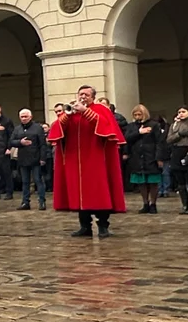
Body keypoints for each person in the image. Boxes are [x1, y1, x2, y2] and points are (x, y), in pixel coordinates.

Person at [48, 85, 128, 237]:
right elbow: (57, 129)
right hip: (74, 160)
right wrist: (67, 115)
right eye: (81, 94)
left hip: (95, 158)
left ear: (93, 97)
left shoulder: (101, 109)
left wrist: (85, 111)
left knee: (99, 192)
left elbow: (105, 127)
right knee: (79, 195)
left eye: (86, 94)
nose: (83, 97)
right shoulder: (72, 111)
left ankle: (103, 226)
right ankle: (85, 226)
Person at [126, 104, 167, 213]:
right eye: (135, 115)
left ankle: (153, 204)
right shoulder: (131, 126)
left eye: (139, 114)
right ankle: (145, 203)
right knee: (141, 183)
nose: (137, 117)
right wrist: (139, 133)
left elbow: (159, 142)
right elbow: (127, 138)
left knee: (153, 182)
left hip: (151, 157)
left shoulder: (154, 125)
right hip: (137, 157)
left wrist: (159, 157)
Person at [10, 109, 48, 211]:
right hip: (23, 159)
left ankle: (42, 201)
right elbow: (11, 141)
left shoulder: (37, 128)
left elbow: (42, 144)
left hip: (36, 158)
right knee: (25, 181)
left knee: (38, 180)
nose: (24, 119)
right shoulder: (17, 129)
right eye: (22, 117)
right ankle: (25, 202)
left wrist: (42, 158)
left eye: (26, 116)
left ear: (30, 117)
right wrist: (20, 142)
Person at [165, 107, 188, 214]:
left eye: (183, 112)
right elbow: (169, 140)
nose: (181, 114)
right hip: (177, 152)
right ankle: (184, 205)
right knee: (180, 182)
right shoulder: (174, 125)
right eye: (179, 112)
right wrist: (179, 134)